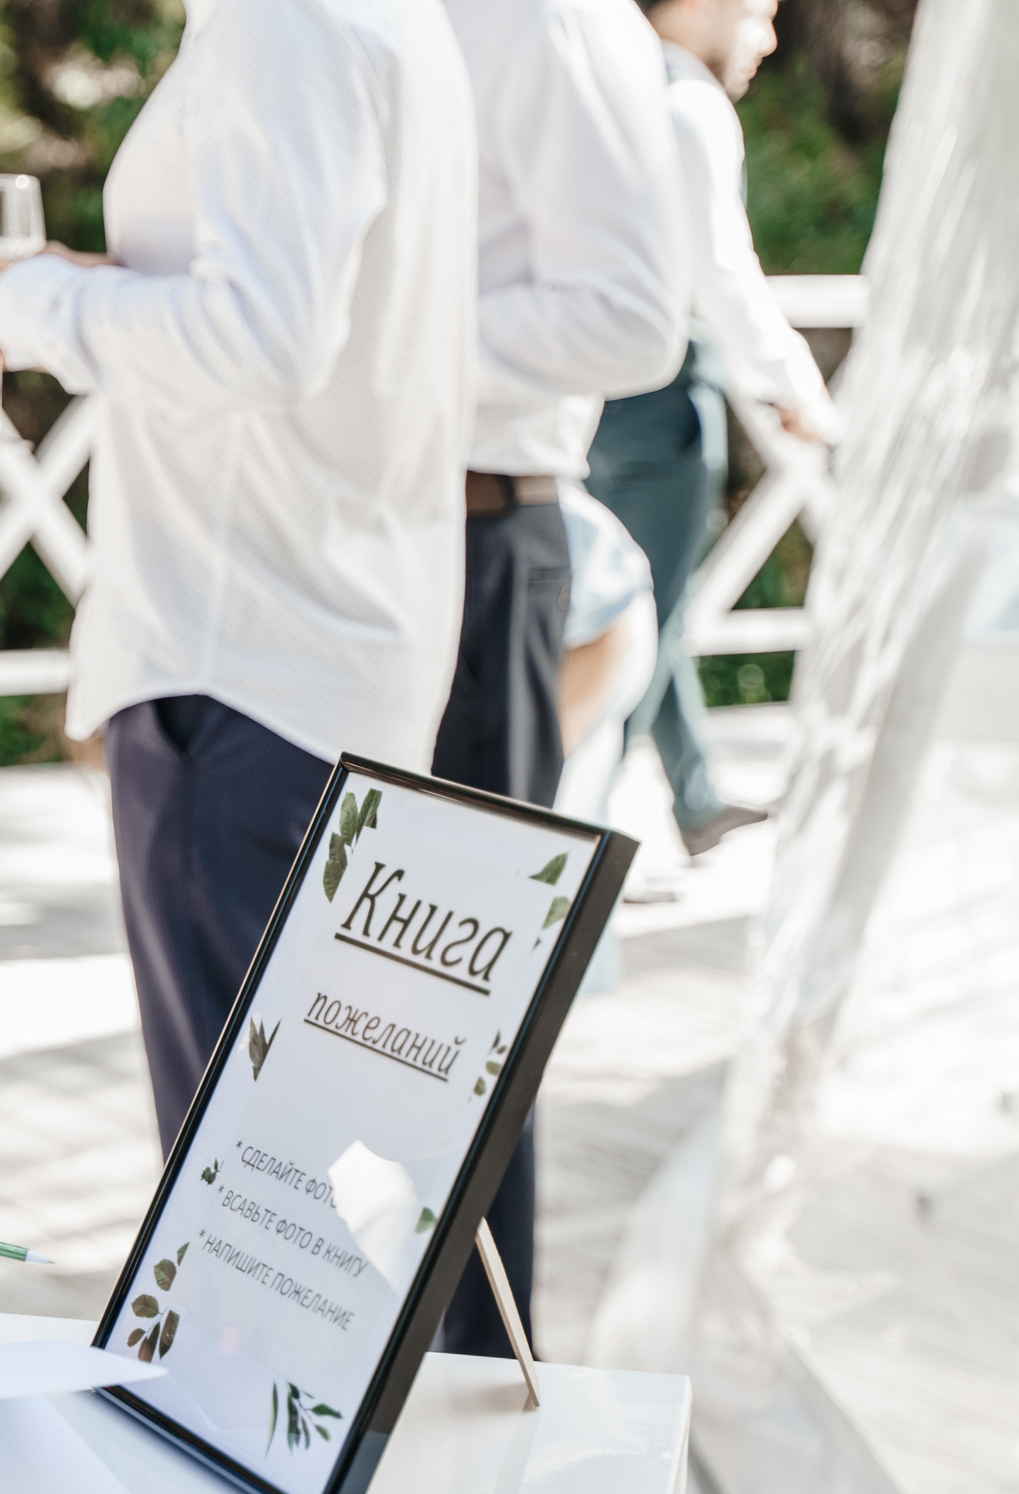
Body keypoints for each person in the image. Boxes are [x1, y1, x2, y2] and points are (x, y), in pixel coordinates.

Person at [0, 0, 479, 1153]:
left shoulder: (279, 21)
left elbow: (264, 342)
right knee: (295, 1176)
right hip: (324, 633)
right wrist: (115, 281)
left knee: (241, 1201)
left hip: (244, 656)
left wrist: (36, 304)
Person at [433, 0, 689, 1357]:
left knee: (461, 998)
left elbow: (638, 319)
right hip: (353, 544)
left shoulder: (554, 17)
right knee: (351, 998)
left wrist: (367, 350)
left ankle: (471, 1387)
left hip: (478, 537)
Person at [589, 0, 833, 857]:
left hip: (583, 399)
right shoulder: (687, 101)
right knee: (641, 622)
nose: (767, 39)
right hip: (659, 399)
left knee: (638, 603)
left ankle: (691, 799)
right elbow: (722, 274)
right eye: (758, 12)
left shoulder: (592, 76)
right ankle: (572, 831)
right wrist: (795, 385)